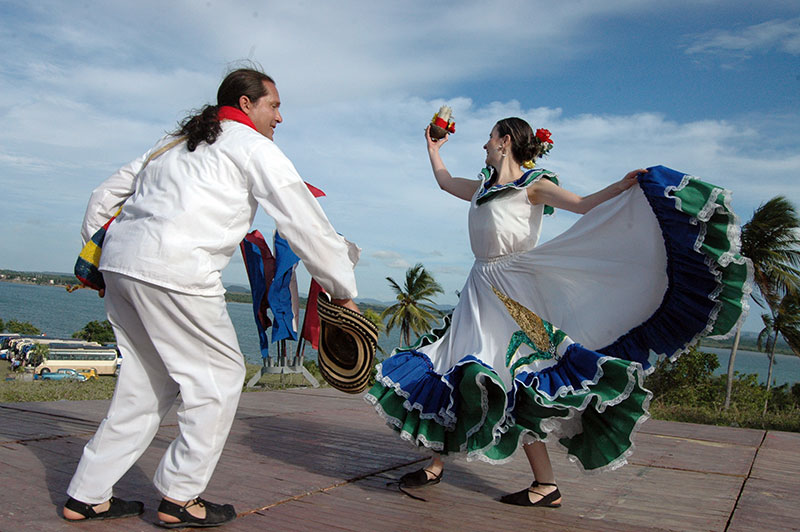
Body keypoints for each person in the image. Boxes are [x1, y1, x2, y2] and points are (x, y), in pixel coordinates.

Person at [366, 117, 751, 506]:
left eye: (490, 137)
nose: (484, 144)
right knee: (458, 367)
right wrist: (433, 150)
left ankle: (545, 485)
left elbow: (583, 207)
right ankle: (438, 463)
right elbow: (446, 182)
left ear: (505, 142)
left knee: (518, 374)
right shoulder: (483, 187)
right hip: (478, 287)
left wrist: (621, 186)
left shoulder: (534, 185)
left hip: (513, 290)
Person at [63, 68, 360, 528]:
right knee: (220, 379)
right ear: (246, 104)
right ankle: (179, 498)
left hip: (126, 268)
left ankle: (86, 495)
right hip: (177, 272)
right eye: (274, 106)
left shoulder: (174, 143)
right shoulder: (255, 148)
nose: (280, 117)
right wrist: (343, 291)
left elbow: (103, 196)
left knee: (145, 385)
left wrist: (107, 259)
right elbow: (304, 221)